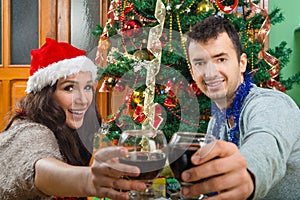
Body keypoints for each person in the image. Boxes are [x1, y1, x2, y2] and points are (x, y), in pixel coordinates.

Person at [0, 38, 146, 200]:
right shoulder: (29, 132)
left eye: (88, 87)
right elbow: (40, 168)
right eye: (69, 88)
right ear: (45, 94)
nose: (83, 100)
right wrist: (87, 180)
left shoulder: (69, 128)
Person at [182, 16, 300, 199]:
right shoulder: (216, 122)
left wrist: (247, 174)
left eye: (220, 59)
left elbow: (266, 146)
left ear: (242, 63)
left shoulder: (272, 104)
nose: (210, 73)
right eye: (200, 63)